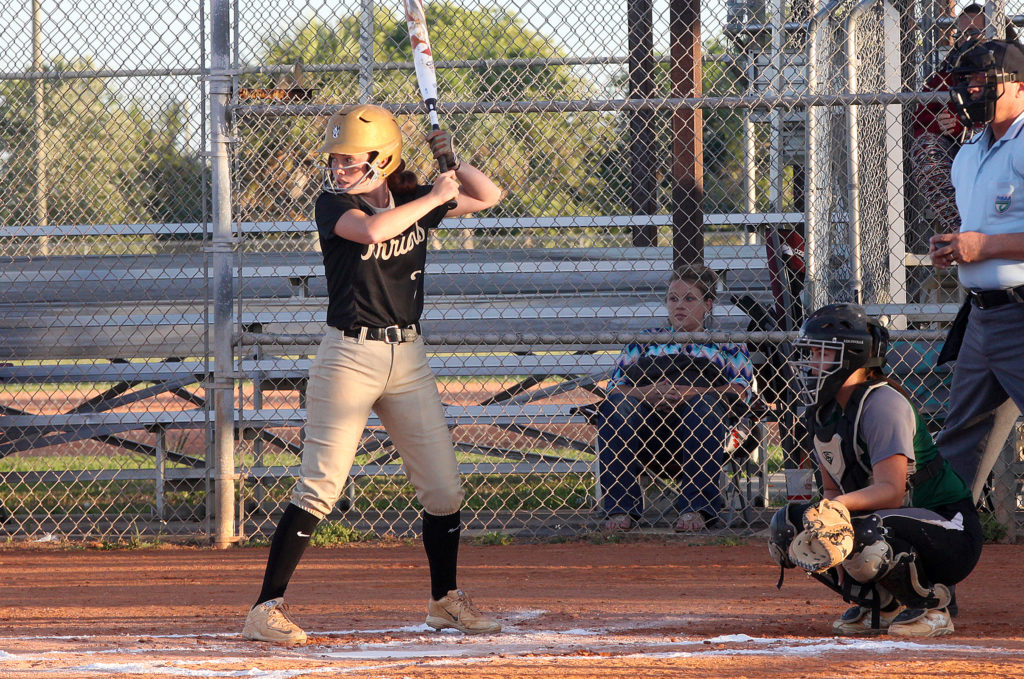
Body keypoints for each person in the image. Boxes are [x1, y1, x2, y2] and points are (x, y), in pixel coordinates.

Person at [241, 104, 503, 644]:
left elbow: (487, 196)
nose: (337, 167)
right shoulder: (334, 203)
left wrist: (446, 150)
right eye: (335, 159)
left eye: (350, 159)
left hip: (408, 358)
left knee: (443, 488)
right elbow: (373, 231)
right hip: (349, 356)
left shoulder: (411, 198)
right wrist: (433, 195)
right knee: (320, 486)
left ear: (382, 160)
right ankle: (264, 608)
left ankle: (444, 601)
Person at [768, 304, 982, 638]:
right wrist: (833, 536)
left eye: (821, 352)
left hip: (950, 529)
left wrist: (838, 512)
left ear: (854, 358)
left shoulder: (883, 403)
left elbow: (891, 490)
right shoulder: (823, 412)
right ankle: (881, 603)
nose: (810, 364)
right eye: (810, 352)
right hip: (896, 522)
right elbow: (833, 491)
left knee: (866, 531)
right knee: (792, 525)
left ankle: (931, 605)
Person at [928, 38, 1024, 498]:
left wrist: (983, 246)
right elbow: (979, 231)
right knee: (958, 443)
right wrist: (957, 248)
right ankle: (930, 545)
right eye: (965, 81)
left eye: (985, 80)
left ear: (1021, 87)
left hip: (1020, 311)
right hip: (982, 318)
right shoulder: (968, 151)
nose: (970, 90)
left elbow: (986, 240)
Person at [597, 265, 755, 533]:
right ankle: (620, 508)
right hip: (648, 429)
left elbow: (741, 390)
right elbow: (614, 388)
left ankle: (696, 508)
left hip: (707, 429)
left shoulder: (727, 343)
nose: (679, 306)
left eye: (689, 299)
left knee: (704, 406)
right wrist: (647, 392)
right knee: (616, 406)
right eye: (673, 298)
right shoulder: (644, 342)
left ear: (708, 304)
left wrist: (691, 393)